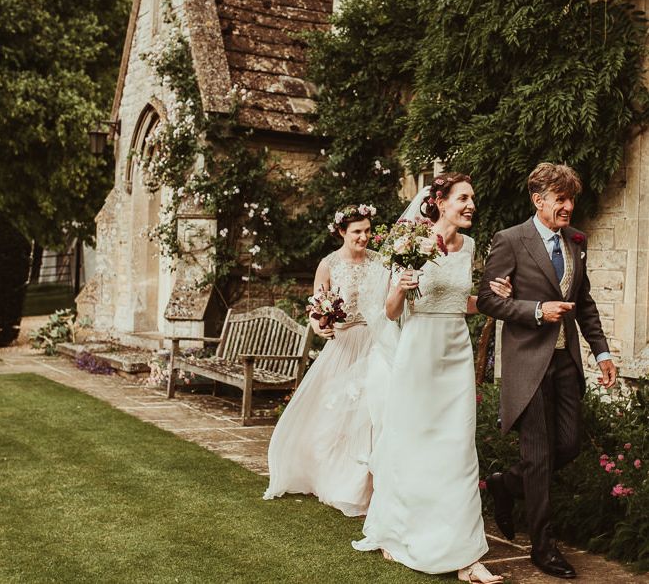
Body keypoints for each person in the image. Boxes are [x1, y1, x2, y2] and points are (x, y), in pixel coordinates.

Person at [353, 174, 509, 584]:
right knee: (413, 443)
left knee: (458, 448)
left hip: (455, 350)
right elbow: (389, 311)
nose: (471, 204)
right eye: (463, 197)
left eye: (473, 197)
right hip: (419, 350)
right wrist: (402, 287)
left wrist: (498, 301)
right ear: (439, 201)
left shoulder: (470, 246)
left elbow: (463, 302)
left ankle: (466, 556)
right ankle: (398, 530)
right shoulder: (410, 240)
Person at [477, 163, 617, 579]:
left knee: (569, 444)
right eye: (560, 198)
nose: (568, 206)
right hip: (527, 364)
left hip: (565, 362)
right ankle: (542, 546)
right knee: (538, 456)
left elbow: (584, 302)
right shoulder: (511, 240)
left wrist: (602, 352)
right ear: (538, 200)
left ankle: (505, 484)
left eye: (571, 198)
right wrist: (536, 310)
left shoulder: (576, 241)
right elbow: (487, 299)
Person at [263, 204, 385, 516]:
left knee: (368, 413)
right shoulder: (329, 264)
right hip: (342, 344)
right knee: (335, 413)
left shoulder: (380, 262)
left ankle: (362, 484)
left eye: (367, 231)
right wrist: (320, 325)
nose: (364, 237)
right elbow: (316, 310)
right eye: (357, 231)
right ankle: (330, 476)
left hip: (373, 342)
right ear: (342, 232)